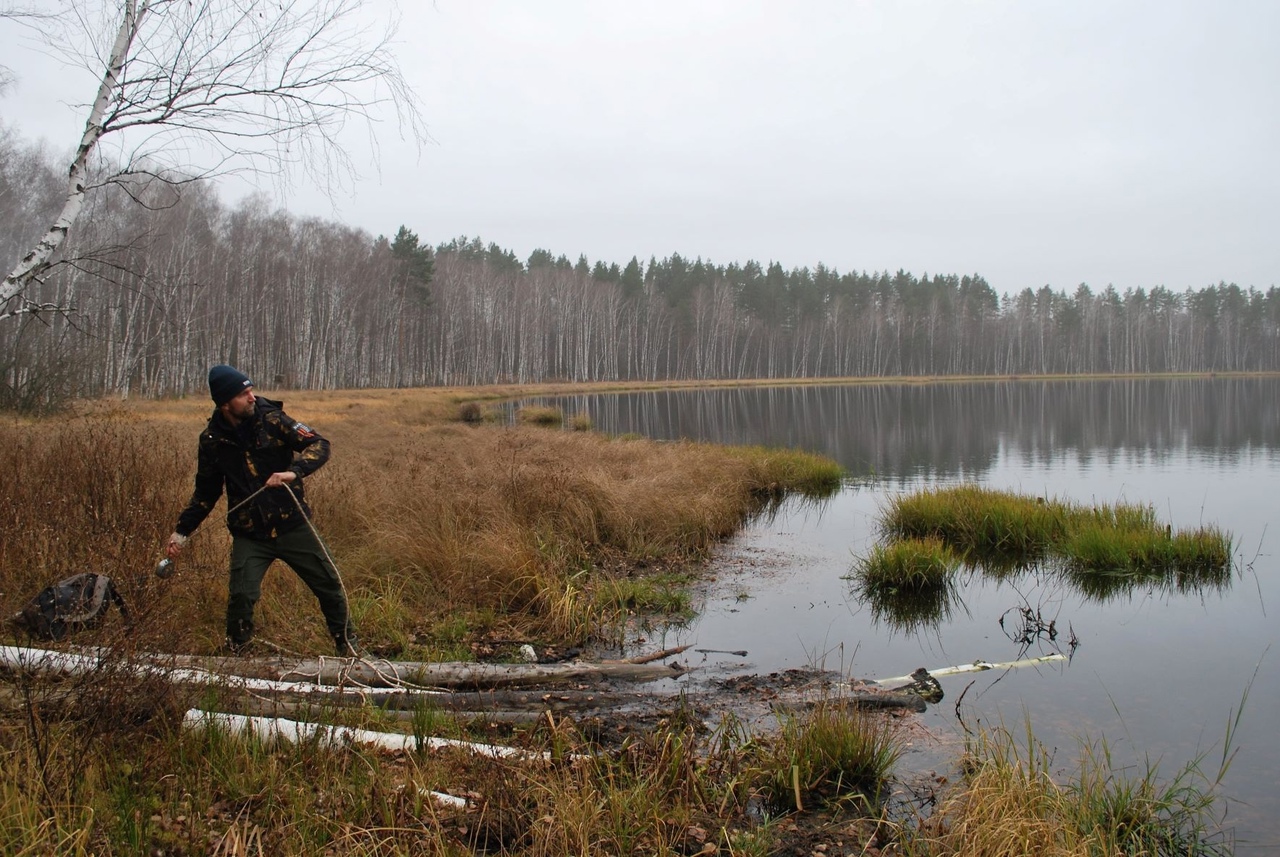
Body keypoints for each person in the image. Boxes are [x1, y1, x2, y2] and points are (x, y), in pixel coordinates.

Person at [166, 364, 358, 656]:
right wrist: (181, 532)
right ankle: (237, 657)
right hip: (250, 534)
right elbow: (205, 493)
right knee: (241, 596)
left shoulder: (273, 419)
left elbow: (319, 443)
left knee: (330, 585)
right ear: (225, 403)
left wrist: (293, 473)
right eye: (244, 394)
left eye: (251, 390)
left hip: (292, 525)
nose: (252, 397)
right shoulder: (211, 441)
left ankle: (349, 650)